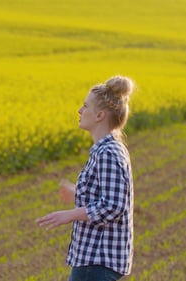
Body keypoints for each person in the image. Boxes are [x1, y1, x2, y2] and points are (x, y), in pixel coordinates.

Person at [36, 76, 135, 281]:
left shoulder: (108, 152)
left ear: (99, 115)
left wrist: (70, 214)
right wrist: (77, 192)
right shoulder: (105, 150)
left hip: (97, 260)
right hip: (93, 259)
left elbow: (114, 206)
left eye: (85, 106)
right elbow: (106, 196)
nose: (80, 111)